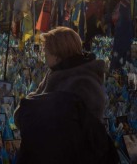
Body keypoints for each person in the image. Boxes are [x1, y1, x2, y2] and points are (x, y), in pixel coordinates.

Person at [14, 26, 119, 164]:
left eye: (47, 50)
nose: (44, 54)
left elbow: (78, 131)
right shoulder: (55, 73)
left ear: (58, 54)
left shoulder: (83, 83)